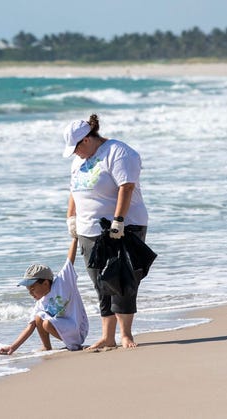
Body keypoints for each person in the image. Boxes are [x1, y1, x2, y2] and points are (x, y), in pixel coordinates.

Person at [62, 113, 149, 349]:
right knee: (100, 282)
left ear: (87, 140)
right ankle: (107, 336)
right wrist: (71, 218)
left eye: (76, 148)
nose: (75, 153)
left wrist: (118, 221)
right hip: (88, 229)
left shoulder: (118, 152)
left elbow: (126, 187)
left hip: (123, 227)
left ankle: (126, 334)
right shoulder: (78, 161)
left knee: (122, 279)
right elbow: (74, 191)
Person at [0, 237, 88, 354]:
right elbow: (30, 326)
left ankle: (74, 346)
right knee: (38, 317)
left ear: (46, 283)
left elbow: (70, 260)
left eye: (33, 288)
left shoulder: (63, 282)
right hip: (63, 328)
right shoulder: (40, 303)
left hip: (78, 328)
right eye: (28, 290)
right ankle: (46, 346)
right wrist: (13, 347)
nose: (31, 293)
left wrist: (75, 238)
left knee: (47, 323)